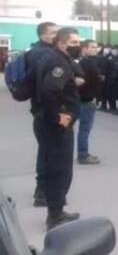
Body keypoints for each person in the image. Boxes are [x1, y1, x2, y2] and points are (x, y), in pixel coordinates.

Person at [34, 27, 82, 230]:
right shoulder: (58, 62)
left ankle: (56, 210)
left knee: (51, 164)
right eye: (73, 43)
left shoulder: (50, 57)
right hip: (55, 124)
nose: (77, 46)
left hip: (44, 121)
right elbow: (50, 90)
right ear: (61, 43)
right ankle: (55, 215)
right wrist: (58, 116)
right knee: (60, 169)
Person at [26, 22, 58, 207]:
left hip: (40, 108)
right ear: (43, 35)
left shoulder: (36, 51)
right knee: (48, 152)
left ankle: (45, 190)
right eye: (53, 33)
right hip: (45, 110)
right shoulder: (44, 54)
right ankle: (42, 192)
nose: (56, 35)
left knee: (47, 150)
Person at [76, 40, 102, 165]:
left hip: (86, 98)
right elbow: (85, 83)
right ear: (84, 49)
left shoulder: (88, 62)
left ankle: (82, 153)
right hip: (86, 99)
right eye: (92, 47)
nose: (95, 49)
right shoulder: (87, 63)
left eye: (96, 47)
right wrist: (91, 97)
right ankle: (83, 154)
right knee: (85, 128)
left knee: (84, 128)